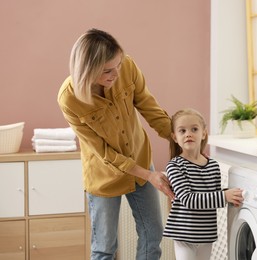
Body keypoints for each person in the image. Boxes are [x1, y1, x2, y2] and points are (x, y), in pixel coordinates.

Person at [57, 28, 175, 260]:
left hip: (139, 158)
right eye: (108, 71)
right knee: (104, 247)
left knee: (153, 234)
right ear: (87, 71)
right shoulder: (69, 99)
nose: (116, 74)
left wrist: (180, 139)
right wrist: (148, 175)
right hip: (103, 175)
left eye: (118, 65)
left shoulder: (126, 67)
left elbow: (149, 107)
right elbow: (103, 152)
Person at [163, 108, 243, 260]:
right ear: (174, 137)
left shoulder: (212, 165)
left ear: (204, 133)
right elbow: (188, 199)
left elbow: (211, 194)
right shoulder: (175, 166)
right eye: (182, 130)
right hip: (184, 234)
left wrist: (230, 194)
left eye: (194, 129)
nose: (188, 134)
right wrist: (224, 196)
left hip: (206, 234)